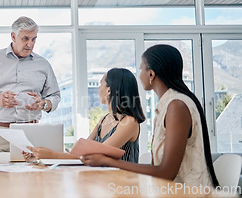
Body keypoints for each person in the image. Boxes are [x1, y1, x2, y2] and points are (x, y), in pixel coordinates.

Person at [81, 44, 219, 187]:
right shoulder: (167, 105)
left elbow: (166, 172)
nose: (139, 75)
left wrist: (107, 161)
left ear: (151, 74)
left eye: (141, 69)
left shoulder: (176, 106)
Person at [0, 16, 61, 152]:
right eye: (25, 38)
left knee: (34, 173)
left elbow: (55, 95)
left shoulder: (43, 64)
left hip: (32, 134)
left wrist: (44, 104)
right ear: (13, 36)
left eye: (34, 39)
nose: (30, 44)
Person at [25, 68, 145, 163]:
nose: (98, 88)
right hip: (102, 181)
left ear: (109, 90)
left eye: (100, 84)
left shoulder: (129, 122)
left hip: (122, 184)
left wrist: (51, 155)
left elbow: (97, 157)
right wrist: (40, 156)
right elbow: (81, 153)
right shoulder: (104, 119)